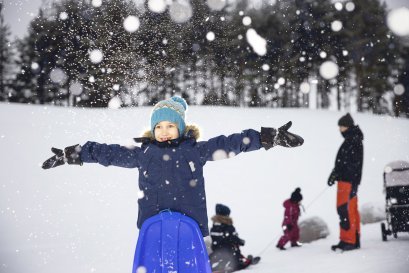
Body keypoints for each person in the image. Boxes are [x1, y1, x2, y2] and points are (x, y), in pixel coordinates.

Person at [42, 96, 304, 237]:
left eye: (170, 126)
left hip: (190, 227)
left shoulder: (195, 150)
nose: (164, 131)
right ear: (152, 130)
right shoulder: (143, 153)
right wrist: (71, 154)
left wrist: (268, 137)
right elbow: (106, 153)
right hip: (153, 228)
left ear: (180, 128)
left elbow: (232, 142)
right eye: (159, 126)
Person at [327, 113, 364, 251]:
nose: (339, 129)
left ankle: (350, 240)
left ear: (347, 126)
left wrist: (338, 173)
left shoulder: (352, 140)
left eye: (341, 126)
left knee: (345, 209)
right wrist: (335, 173)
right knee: (350, 209)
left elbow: (350, 164)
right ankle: (352, 238)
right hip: (348, 180)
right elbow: (343, 162)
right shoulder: (352, 139)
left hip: (347, 181)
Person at [209, 204, 260, 272]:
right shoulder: (228, 226)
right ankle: (239, 263)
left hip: (217, 249)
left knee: (222, 257)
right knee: (235, 257)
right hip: (228, 250)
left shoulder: (215, 225)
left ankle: (219, 265)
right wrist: (240, 241)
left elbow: (217, 238)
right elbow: (233, 238)